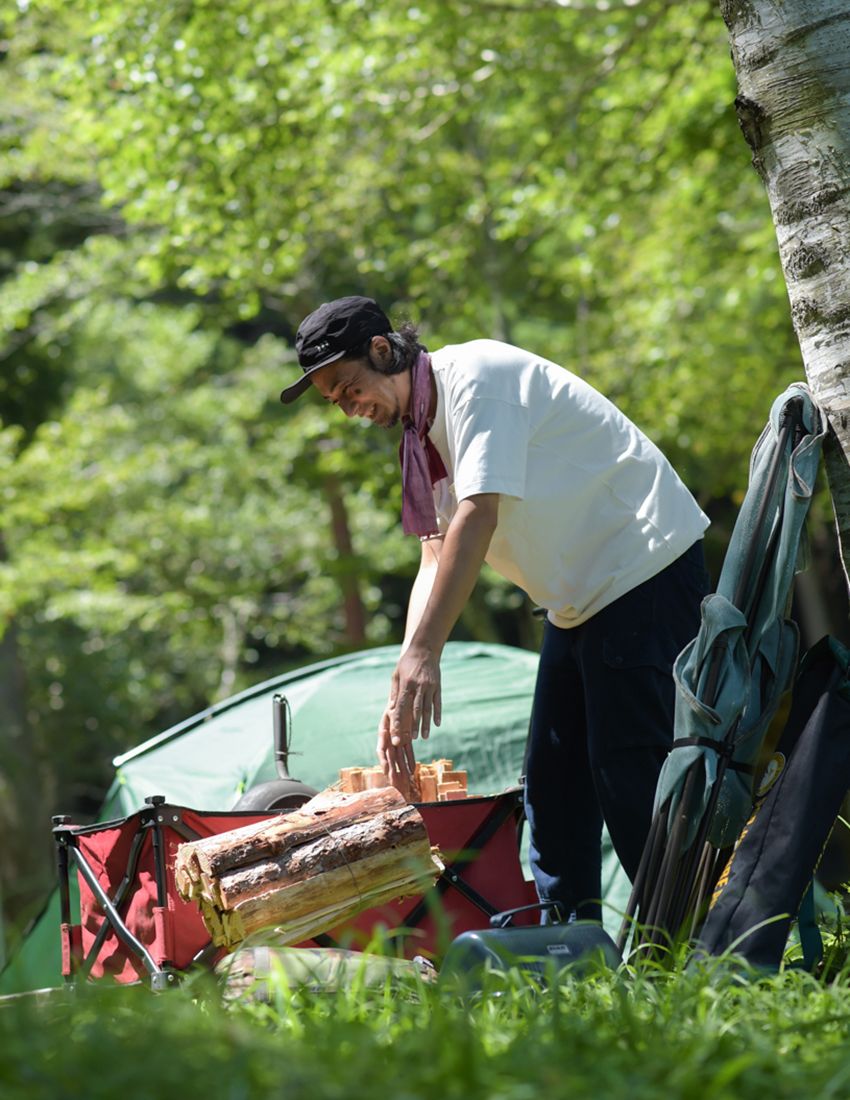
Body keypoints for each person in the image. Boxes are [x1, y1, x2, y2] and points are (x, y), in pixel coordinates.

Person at [281, 295, 710, 922]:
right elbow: (434, 556)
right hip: (577, 601)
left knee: (629, 771)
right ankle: (569, 951)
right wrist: (403, 675)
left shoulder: (476, 380)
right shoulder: (420, 433)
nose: (351, 410)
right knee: (553, 783)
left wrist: (428, 654)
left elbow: (478, 516)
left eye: (349, 389)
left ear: (383, 351)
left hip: (641, 568)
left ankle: (681, 953)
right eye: (337, 402)